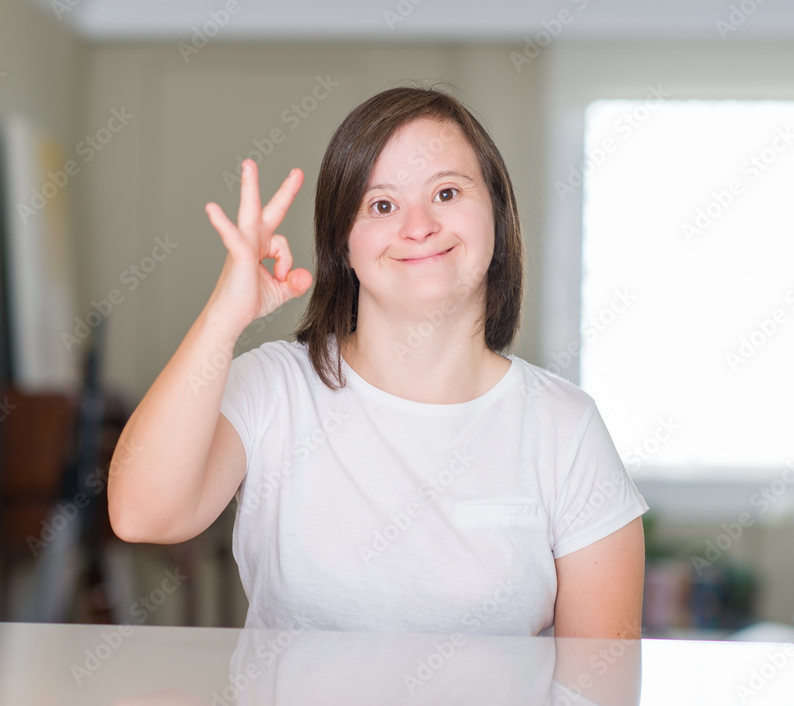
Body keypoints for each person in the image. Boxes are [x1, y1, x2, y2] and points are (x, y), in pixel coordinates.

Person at [107, 83, 650, 639]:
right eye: (382, 205)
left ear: (496, 212)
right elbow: (142, 515)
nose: (418, 226)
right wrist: (224, 315)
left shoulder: (566, 428)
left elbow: (597, 678)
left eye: (446, 193)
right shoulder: (273, 387)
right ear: (343, 245)